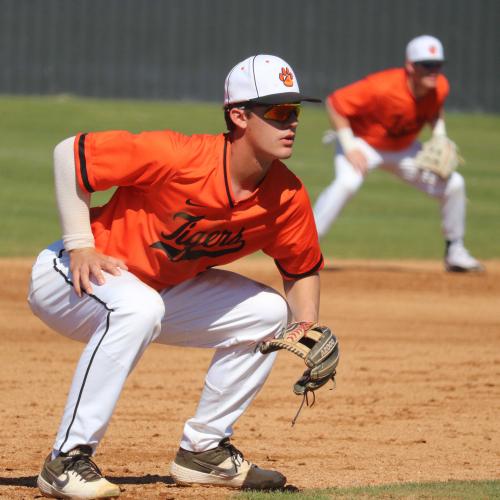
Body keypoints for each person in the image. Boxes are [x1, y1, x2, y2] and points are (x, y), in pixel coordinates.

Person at [28, 54, 324, 498]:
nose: (291, 123)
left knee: (268, 312)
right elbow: (69, 153)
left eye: (295, 111)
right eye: (278, 112)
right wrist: (80, 244)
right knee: (138, 305)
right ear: (238, 116)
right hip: (70, 276)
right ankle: (66, 460)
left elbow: (300, 269)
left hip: (157, 290)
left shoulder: (286, 195)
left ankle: (204, 452)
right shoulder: (179, 156)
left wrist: (306, 328)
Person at [313, 35, 482, 272]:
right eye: (427, 65)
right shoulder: (381, 86)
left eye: (438, 64)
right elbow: (335, 103)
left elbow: (434, 110)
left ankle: (455, 251)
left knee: (454, 184)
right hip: (363, 144)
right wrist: (349, 146)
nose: (434, 71)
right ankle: (305, 248)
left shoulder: (439, 86)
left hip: (403, 149)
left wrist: (440, 135)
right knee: (347, 183)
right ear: (410, 66)